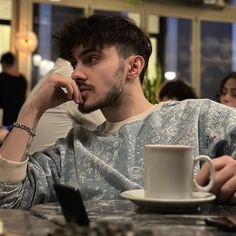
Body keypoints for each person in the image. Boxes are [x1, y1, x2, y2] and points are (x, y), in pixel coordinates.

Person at [0, 14, 236, 209]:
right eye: (74, 64)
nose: (76, 74)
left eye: (91, 58)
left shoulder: (199, 118)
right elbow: (7, 200)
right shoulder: (71, 150)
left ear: (133, 67)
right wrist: (33, 109)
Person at [29, 57, 105, 153]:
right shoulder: (70, 80)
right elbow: (109, 130)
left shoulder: (55, 74)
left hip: (38, 162)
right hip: (47, 164)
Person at [0, 52, 27, 126]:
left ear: (3, 63)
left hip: (5, 119)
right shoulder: (22, 78)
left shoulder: (2, 78)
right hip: (19, 117)